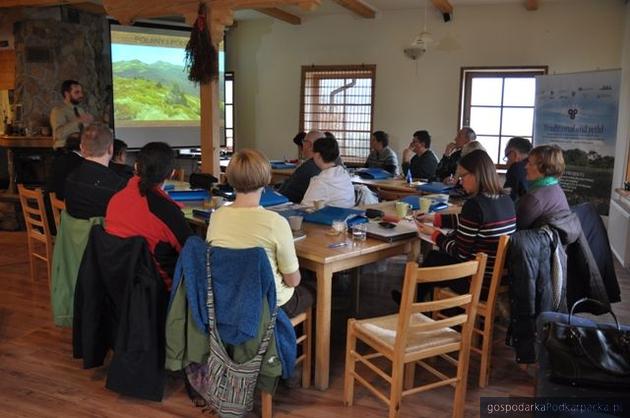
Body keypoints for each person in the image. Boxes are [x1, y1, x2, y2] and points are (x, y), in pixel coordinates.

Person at [207, 149, 313, 318]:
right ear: (267, 179)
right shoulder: (275, 222)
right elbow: (293, 281)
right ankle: (282, 339)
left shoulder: (216, 216)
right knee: (311, 289)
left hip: (228, 298)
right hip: (268, 304)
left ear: (229, 179)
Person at [416, 150, 516, 291]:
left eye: (463, 176)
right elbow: (472, 222)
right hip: (498, 278)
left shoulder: (475, 205)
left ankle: (414, 304)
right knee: (437, 258)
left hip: (476, 281)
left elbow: (460, 253)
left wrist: (434, 234)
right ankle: (419, 302)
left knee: (434, 258)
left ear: (476, 175)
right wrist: (435, 219)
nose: (460, 181)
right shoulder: (506, 199)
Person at [105, 142, 193, 290]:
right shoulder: (164, 210)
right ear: (171, 173)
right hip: (160, 289)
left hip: (117, 283)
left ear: (137, 167)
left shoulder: (115, 200)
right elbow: (192, 250)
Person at [65, 124, 126, 219]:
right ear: (111, 149)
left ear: (82, 148)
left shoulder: (70, 177)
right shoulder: (118, 185)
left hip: (73, 233)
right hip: (103, 232)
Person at [516, 144, 569, 230]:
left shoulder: (534, 198)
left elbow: (515, 229)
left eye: (530, 163)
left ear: (543, 168)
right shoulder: (555, 187)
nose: (525, 167)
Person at [302, 135, 355, 208]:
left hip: (329, 217)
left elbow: (305, 206)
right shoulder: (343, 173)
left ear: (318, 155)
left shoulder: (321, 181)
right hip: (349, 215)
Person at [278, 130, 324, 203]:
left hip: (286, 204)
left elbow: (287, 193)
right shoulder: (322, 164)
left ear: (309, 145)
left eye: (304, 141)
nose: (302, 145)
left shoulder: (308, 167)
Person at [50, 80, 94, 149]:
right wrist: (77, 121)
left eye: (81, 92)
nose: (81, 95)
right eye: (77, 92)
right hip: (64, 150)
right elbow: (58, 134)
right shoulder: (58, 111)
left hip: (81, 149)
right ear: (67, 94)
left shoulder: (81, 110)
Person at [45, 135, 83, 200]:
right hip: (64, 205)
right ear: (81, 146)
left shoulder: (58, 159)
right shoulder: (81, 162)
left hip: (50, 201)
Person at [503, 136, 532, 202]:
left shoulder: (516, 168)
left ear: (514, 154)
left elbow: (507, 199)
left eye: (507, 157)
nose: (506, 163)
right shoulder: (536, 167)